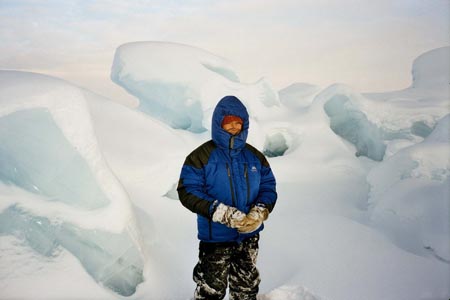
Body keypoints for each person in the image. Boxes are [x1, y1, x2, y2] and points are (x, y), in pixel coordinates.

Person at [177, 95, 277, 300]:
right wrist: (220, 212)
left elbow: (268, 187)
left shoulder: (255, 156)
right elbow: (187, 190)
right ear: (218, 124)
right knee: (211, 291)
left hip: (249, 237)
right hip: (215, 238)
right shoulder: (201, 156)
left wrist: (260, 211)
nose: (233, 126)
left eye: (238, 122)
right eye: (228, 122)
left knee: (246, 289)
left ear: (244, 124)